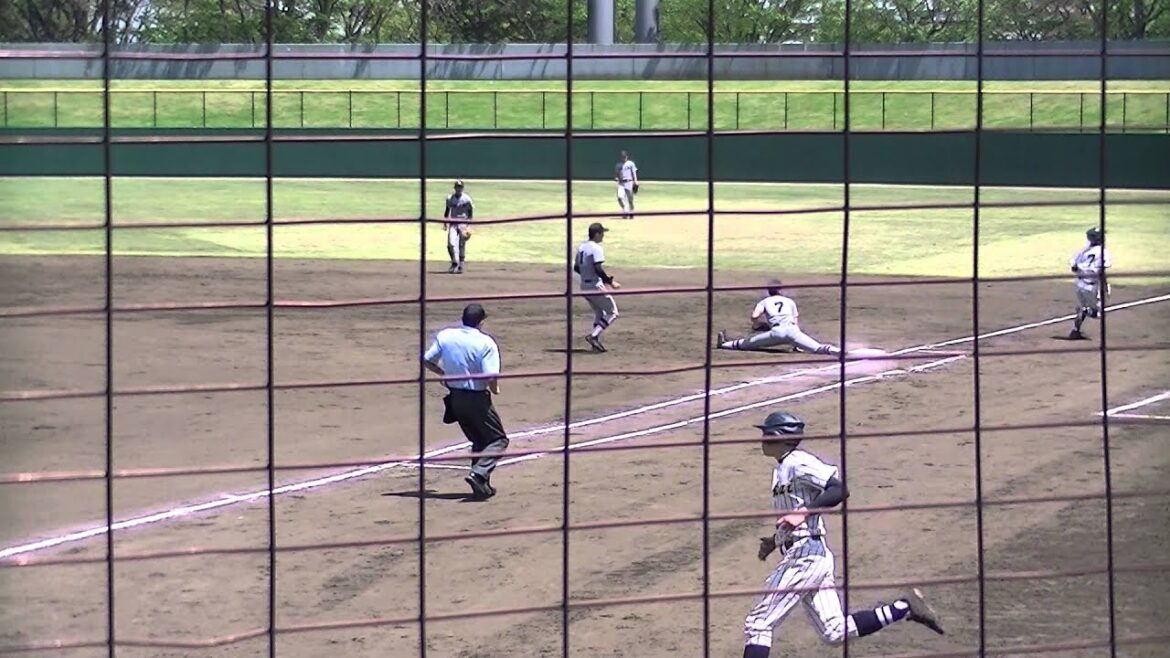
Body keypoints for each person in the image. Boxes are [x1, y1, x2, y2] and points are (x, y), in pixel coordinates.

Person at [743, 411, 945, 657]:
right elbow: (794, 515)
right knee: (834, 631)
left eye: (766, 434)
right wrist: (774, 542)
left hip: (806, 557)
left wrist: (804, 512)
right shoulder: (782, 469)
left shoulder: (798, 462)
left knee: (759, 623)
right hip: (809, 555)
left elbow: (839, 489)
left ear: (778, 436)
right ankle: (904, 608)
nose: (762, 439)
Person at [422, 303, 508, 499]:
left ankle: (482, 485)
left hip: (455, 399)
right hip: (476, 399)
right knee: (498, 439)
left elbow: (427, 360)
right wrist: (495, 390)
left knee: (479, 440)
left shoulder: (446, 335)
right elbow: (490, 375)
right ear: (481, 322)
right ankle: (478, 473)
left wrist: (443, 374)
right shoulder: (486, 343)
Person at [716, 281, 840, 355]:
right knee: (817, 348)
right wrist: (797, 344)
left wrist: (757, 325)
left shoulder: (765, 301)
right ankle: (839, 352)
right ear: (780, 290)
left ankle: (724, 344)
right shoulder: (789, 301)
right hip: (794, 332)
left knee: (746, 344)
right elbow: (795, 321)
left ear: (768, 291)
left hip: (776, 333)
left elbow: (754, 316)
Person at [574, 222, 621, 353]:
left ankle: (596, 343)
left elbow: (576, 268)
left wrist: (587, 275)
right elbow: (598, 268)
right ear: (597, 234)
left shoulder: (582, 248)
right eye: (602, 233)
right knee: (613, 312)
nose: (603, 236)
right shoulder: (596, 248)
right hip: (595, 286)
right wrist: (610, 282)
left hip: (584, 286)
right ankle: (594, 336)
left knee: (600, 313)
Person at [1068, 226, 1111, 340]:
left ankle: (1075, 330)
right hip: (1092, 286)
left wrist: (1081, 270)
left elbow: (1073, 267)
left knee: (1083, 307)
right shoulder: (1103, 252)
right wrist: (1105, 285)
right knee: (1097, 314)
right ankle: (1086, 311)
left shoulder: (1083, 251)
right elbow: (1102, 271)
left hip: (1079, 283)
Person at [443, 179, 474, 274]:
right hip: (453, 223)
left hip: (463, 223)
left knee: (461, 244)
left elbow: (470, 212)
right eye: (457, 187)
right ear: (454, 188)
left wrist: (469, 225)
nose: (458, 189)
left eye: (460, 187)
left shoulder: (467, 199)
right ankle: (454, 262)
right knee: (450, 244)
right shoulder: (450, 198)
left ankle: (461, 264)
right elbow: (447, 211)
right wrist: (445, 222)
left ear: (462, 188)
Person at [614, 150, 639, 219]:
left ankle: (631, 212)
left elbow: (634, 172)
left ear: (627, 156)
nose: (623, 158)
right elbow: (616, 175)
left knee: (630, 200)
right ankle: (625, 210)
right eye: (622, 156)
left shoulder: (630, 163)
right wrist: (616, 178)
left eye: (624, 156)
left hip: (629, 182)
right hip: (621, 183)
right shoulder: (618, 165)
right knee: (619, 198)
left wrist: (636, 181)